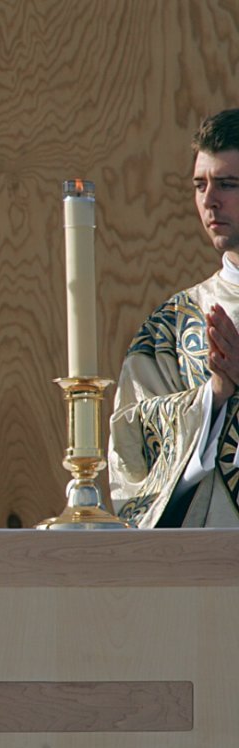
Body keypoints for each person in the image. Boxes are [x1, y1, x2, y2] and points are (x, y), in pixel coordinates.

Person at [111, 109, 239, 527]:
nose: (208, 200)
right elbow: (132, 447)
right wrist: (213, 397)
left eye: (226, 184)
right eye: (199, 185)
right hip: (206, 566)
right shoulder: (172, 325)